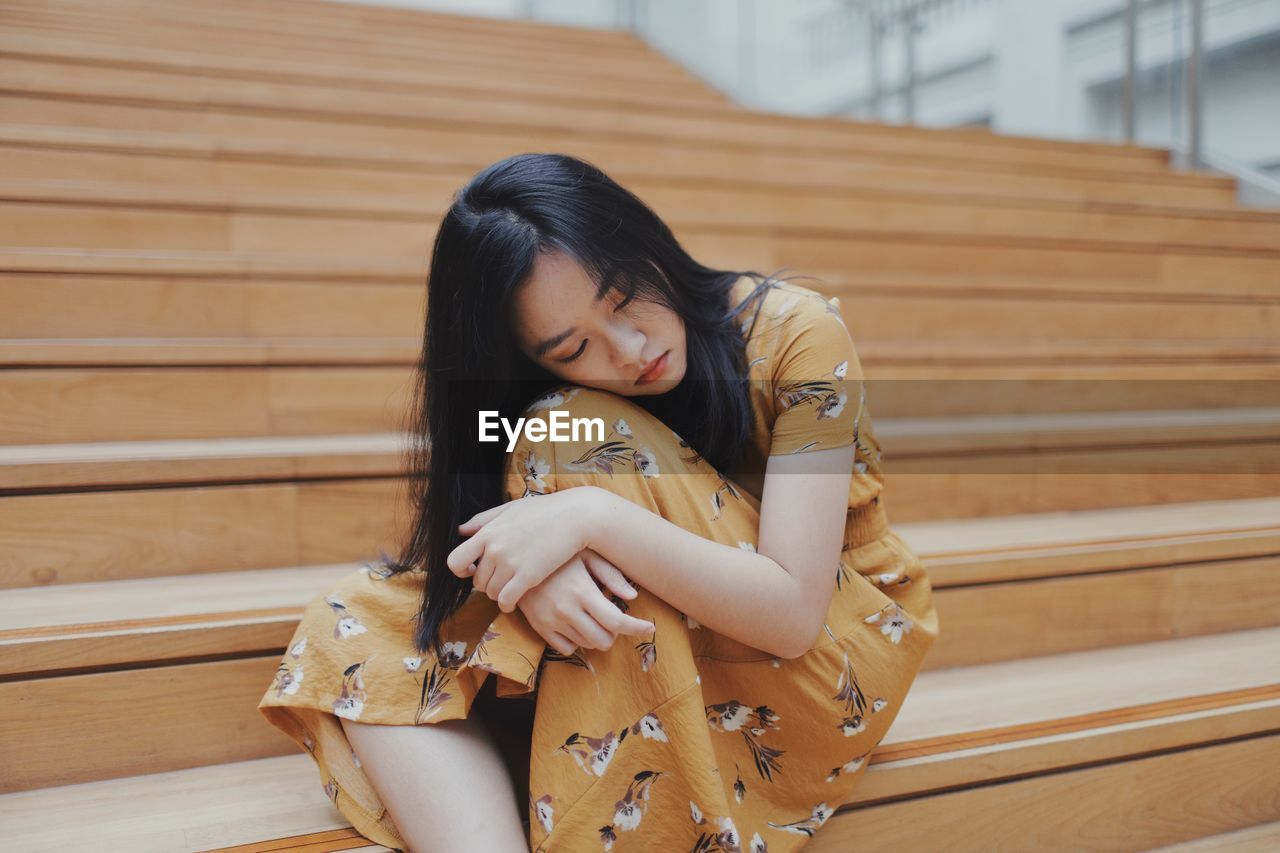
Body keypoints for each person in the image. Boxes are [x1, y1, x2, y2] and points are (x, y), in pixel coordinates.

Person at [258, 152, 940, 853]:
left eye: (623, 294)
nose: (629, 347)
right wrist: (545, 569)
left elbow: (795, 612)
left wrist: (592, 519)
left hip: (822, 645)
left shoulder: (797, 332)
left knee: (570, 431)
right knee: (356, 622)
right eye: (573, 345)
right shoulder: (546, 412)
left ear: (645, 241)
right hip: (660, 620)